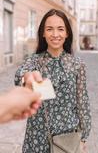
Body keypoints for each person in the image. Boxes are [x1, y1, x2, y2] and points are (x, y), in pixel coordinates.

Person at [14, 9, 91, 153]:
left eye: (60, 29)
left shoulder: (77, 64)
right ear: (43, 33)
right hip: (37, 138)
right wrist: (27, 79)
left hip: (67, 140)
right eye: (49, 29)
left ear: (67, 33)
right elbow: (21, 75)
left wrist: (83, 138)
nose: (55, 34)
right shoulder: (34, 61)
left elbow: (83, 102)